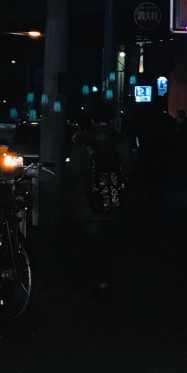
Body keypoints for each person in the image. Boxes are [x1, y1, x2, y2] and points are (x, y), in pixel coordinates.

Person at [67, 101, 134, 295]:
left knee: (90, 242)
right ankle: (104, 279)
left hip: (86, 200)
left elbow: (73, 170)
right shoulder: (120, 139)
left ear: (92, 119)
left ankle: (90, 279)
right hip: (114, 197)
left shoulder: (81, 140)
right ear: (111, 119)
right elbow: (128, 165)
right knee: (108, 243)